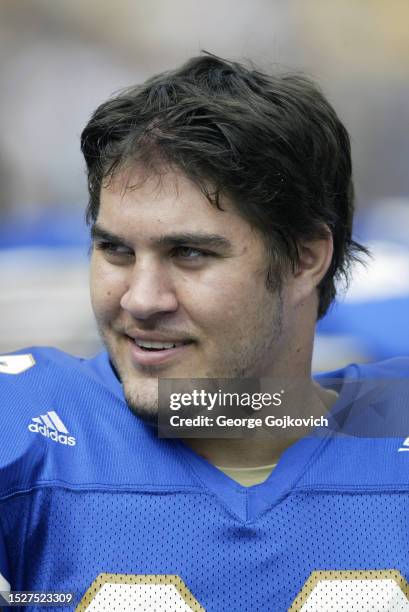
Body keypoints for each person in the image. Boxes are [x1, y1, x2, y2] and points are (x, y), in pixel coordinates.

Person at [1, 53, 408, 612]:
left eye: (189, 253)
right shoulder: (28, 428)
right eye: (115, 250)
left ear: (305, 259)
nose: (140, 300)